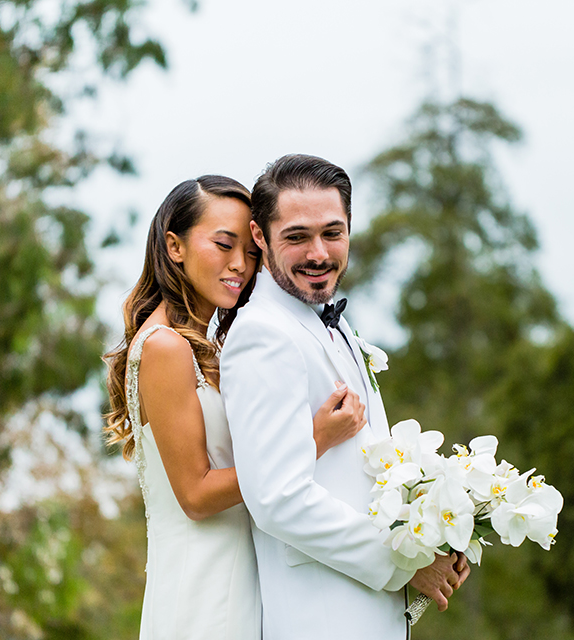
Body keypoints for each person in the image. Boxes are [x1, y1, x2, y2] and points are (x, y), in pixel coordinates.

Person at [103, 175, 366, 640]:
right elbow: (197, 495)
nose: (239, 264)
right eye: (223, 245)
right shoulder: (164, 347)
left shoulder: (205, 345)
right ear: (174, 246)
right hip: (205, 590)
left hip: (242, 580)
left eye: (249, 250)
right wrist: (314, 439)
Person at [220, 154, 471, 640]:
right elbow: (276, 497)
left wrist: (438, 534)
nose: (318, 253)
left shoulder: (333, 326)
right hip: (319, 615)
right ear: (259, 237)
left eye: (332, 233)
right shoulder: (262, 334)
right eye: (296, 237)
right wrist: (403, 562)